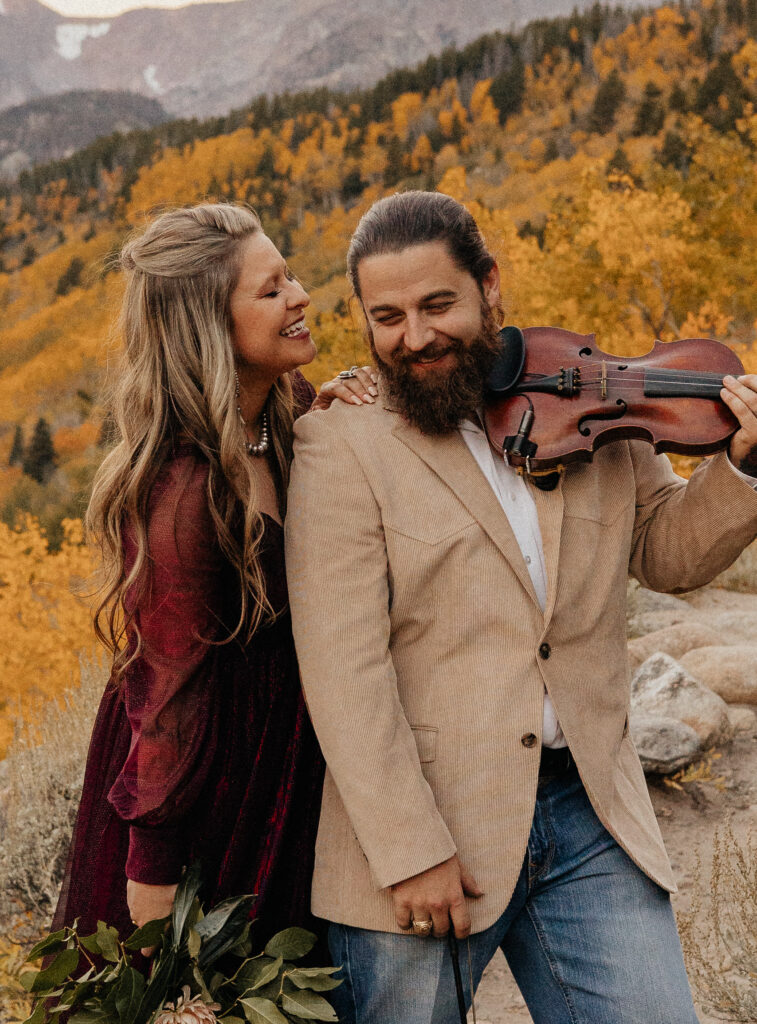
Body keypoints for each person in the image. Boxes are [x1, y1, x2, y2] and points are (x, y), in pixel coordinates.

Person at [284, 190, 757, 1023]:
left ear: (488, 287)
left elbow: (668, 554)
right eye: (385, 316)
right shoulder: (340, 445)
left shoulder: (592, 402)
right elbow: (342, 669)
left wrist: (744, 468)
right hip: (429, 832)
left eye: (437, 304)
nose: (414, 336)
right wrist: (408, 850)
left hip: (589, 814)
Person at [52, 202, 376, 952]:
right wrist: (154, 869)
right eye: (269, 291)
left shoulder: (287, 407)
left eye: (288, 275)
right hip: (204, 783)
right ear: (209, 328)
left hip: (282, 755)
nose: (299, 296)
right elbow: (164, 697)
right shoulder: (181, 492)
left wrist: (338, 431)